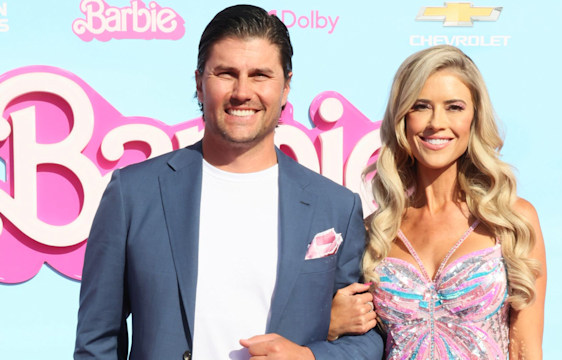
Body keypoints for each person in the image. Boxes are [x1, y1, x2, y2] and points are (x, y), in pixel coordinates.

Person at [74, 5, 383, 360]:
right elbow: (97, 341)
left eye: (260, 75)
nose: (242, 91)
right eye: (226, 73)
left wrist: (308, 357)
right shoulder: (134, 194)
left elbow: (367, 339)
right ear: (199, 83)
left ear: (285, 88)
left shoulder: (336, 206)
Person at [328, 45, 547, 359]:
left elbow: (526, 350)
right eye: (421, 106)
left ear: (474, 118)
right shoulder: (375, 232)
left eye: (454, 107)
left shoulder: (511, 220)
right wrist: (330, 325)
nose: (436, 122)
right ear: (402, 118)